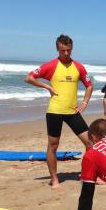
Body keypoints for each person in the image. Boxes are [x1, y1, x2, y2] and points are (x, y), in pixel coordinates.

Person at [25, 34, 93, 189]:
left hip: (72, 112)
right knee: (53, 146)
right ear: (58, 49)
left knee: (90, 143)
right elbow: (29, 78)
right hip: (55, 111)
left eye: (69, 50)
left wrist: (84, 102)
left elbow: (89, 85)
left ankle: (87, 174)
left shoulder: (79, 67)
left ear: (72, 48)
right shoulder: (51, 65)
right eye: (63, 50)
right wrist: (47, 86)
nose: (66, 53)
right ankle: (54, 179)